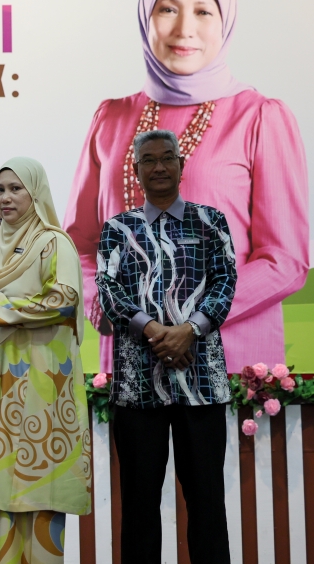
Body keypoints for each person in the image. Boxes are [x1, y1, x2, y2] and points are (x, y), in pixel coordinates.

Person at [64, 0, 308, 375]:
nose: (184, 29)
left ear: (225, 21)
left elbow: (284, 260)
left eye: (202, 12)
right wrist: (101, 299)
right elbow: (80, 243)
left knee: (222, 445)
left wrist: (191, 318)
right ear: (146, 18)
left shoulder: (259, 117)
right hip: (132, 350)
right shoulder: (111, 118)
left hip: (228, 352)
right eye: (168, 9)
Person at [97, 130, 236, 564]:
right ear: (136, 171)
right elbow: (108, 290)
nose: (159, 167)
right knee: (138, 507)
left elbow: (225, 282)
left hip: (202, 385)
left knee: (208, 504)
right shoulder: (118, 229)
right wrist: (156, 331)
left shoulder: (211, 221)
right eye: (149, 161)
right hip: (138, 390)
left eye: (167, 159)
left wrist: (189, 330)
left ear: (181, 165)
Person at [0, 158, 90, 564]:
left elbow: (65, 300)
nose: (5, 198)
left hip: (43, 392)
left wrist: (0, 302)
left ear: (36, 192)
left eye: (15, 189)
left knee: (40, 497)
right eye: (0, 189)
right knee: (2, 501)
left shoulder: (54, 241)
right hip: (1, 392)